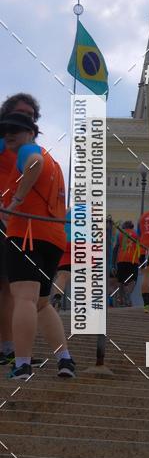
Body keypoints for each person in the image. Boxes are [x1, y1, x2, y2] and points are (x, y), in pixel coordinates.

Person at [0, 110, 75, 379]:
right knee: (42, 303)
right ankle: (65, 359)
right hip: (53, 237)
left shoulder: (28, 151)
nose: (9, 134)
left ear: (31, 133)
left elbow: (32, 164)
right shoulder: (52, 158)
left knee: (24, 298)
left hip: (26, 233)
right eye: (5, 129)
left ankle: (21, 364)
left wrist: (15, 202)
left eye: (16, 129)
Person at [113, 220, 139, 307]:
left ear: (123, 227)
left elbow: (116, 248)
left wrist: (113, 263)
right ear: (132, 227)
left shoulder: (119, 234)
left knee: (120, 280)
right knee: (133, 280)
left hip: (121, 259)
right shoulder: (136, 234)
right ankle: (128, 292)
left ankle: (120, 299)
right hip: (133, 260)